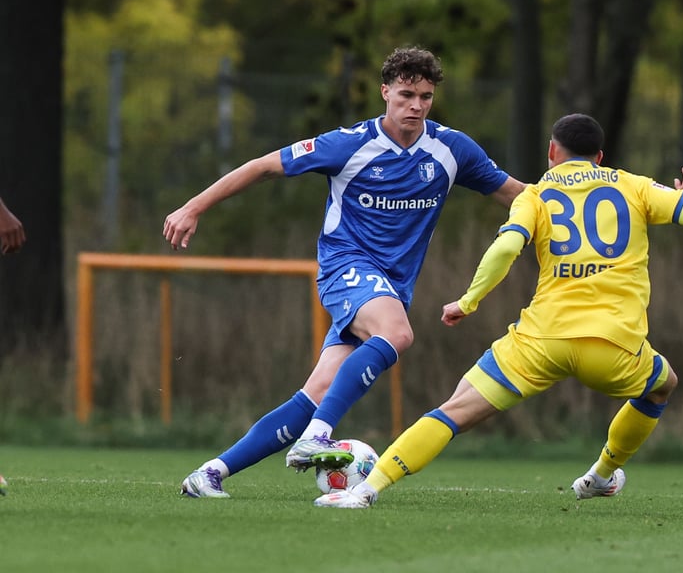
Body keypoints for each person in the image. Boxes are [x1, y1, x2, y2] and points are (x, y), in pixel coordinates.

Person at [165, 46, 525, 498]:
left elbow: (517, 195)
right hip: (346, 267)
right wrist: (193, 207)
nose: (416, 105)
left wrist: (575, 202)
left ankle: (210, 473)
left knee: (315, 395)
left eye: (425, 97)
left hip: (390, 287)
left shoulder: (451, 149)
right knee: (398, 334)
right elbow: (264, 167)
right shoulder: (349, 144)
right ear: (385, 92)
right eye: (406, 95)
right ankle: (317, 437)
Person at [312, 113, 683, 509]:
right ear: (600, 156)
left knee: (454, 411)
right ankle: (602, 474)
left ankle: (365, 491)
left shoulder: (535, 195)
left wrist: (468, 301)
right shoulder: (633, 186)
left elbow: (505, 248)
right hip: (613, 345)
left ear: (552, 151)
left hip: (540, 340)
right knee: (662, 386)